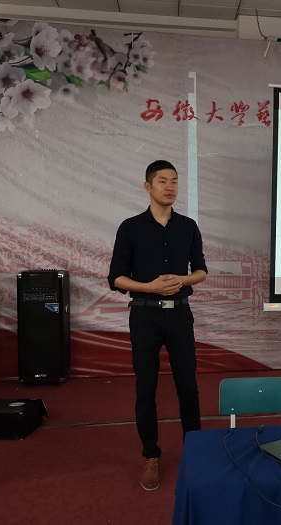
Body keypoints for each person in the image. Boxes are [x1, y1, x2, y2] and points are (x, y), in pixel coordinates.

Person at [107, 159, 208, 491]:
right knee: (145, 388)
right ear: (148, 186)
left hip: (179, 315)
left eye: (174, 181)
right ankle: (151, 455)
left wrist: (182, 279)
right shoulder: (130, 228)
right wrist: (149, 286)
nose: (170, 186)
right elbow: (116, 278)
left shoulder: (188, 226)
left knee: (188, 386)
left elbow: (201, 271)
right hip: (145, 316)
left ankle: (195, 450)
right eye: (162, 181)